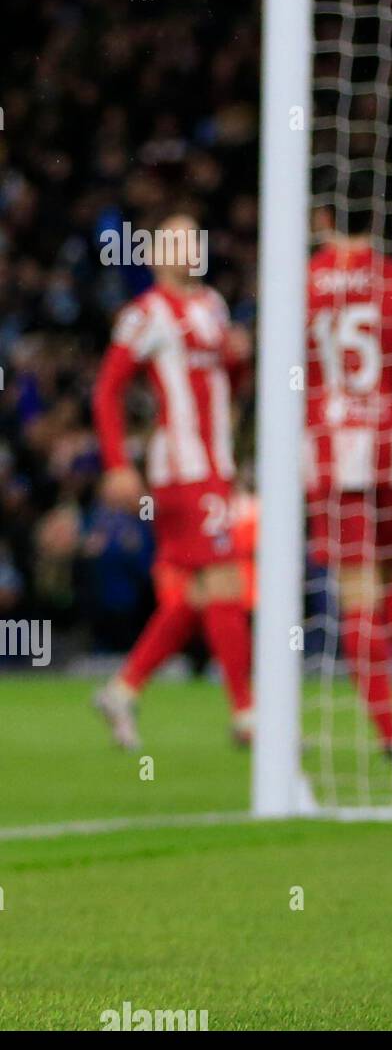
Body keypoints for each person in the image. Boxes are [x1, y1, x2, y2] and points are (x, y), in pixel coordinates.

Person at [91, 212, 254, 749]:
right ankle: (247, 713)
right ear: (157, 254)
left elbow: (226, 385)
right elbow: (107, 390)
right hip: (181, 470)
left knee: (202, 592)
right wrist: (117, 463)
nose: (189, 251)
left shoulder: (213, 307)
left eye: (194, 240)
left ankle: (124, 687)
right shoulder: (145, 315)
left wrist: (237, 362)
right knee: (226, 580)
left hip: (216, 463)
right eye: (178, 242)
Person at [306, 202, 392, 761]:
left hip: (332, 452)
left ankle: (389, 735)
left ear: (322, 218)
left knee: (357, 594)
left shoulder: (301, 283)